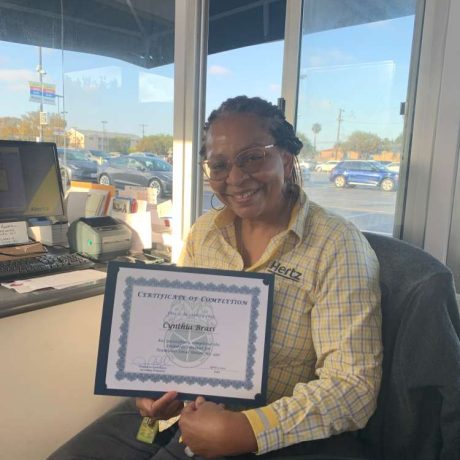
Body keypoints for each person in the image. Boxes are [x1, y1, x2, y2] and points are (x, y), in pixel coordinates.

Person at [49, 96, 382, 460]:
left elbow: (354, 387)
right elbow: (179, 333)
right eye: (219, 165)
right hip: (190, 417)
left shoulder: (336, 245)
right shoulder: (204, 233)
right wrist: (154, 387)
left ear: (285, 160)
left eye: (252, 157)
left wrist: (250, 430)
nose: (236, 178)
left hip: (275, 436)